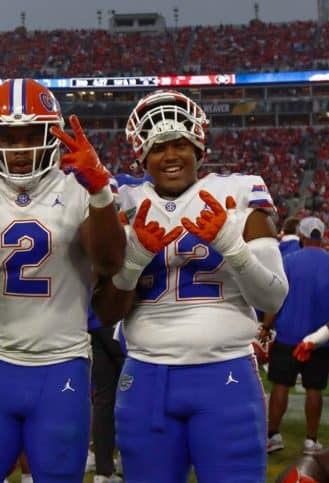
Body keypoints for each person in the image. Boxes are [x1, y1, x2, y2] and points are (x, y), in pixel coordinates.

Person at [91, 89, 289, 483]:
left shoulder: (239, 194)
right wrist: (132, 261)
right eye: (159, 146)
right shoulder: (122, 201)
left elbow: (273, 296)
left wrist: (231, 246)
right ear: (141, 154)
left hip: (226, 372)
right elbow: (104, 313)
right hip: (146, 375)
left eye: (180, 144)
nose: (171, 156)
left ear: (199, 146)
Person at [0, 78, 125, 482]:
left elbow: (109, 262)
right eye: (8, 137)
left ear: (51, 135)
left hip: (62, 362)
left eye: (30, 136)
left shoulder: (79, 184)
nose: (20, 150)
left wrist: (101, 194)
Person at [264, 216, 329, 455]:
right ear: (321, 237)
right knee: (315, 389)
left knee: (280, 385)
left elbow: (276, 299)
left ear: (301, 236)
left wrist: (266, 326)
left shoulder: (288, 260)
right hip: (320, 339)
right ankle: (311, 441)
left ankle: (273, 435)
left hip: (288, 335)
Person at [88, 306, 124, 483]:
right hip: (121, 320)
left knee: (104, 398)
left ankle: (104, 472)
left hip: (97, 319)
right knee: (138, 391)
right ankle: (129, 459)